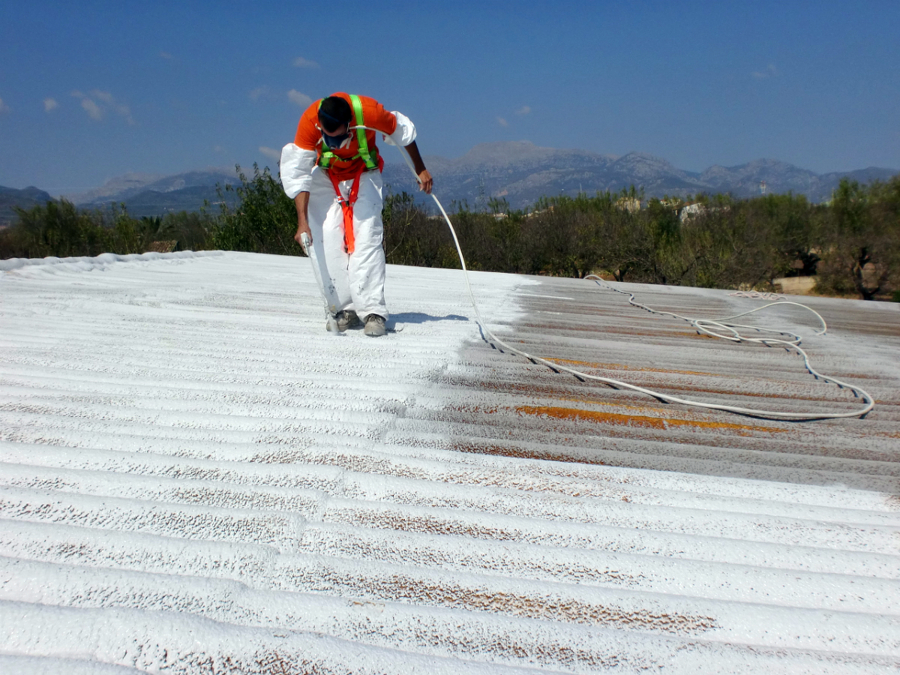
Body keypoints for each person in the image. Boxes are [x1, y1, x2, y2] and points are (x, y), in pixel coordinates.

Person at [280, 93, 432, 337]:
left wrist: (421, 169)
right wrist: (303, 223)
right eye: (327, 138)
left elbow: (403, 133)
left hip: (364, 171)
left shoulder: (370, 113)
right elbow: (298, 174)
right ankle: (342, 309)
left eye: (338, 137)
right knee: (326, 235)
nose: (332, 143)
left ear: (350, 124)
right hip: (327, 174)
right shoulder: (310, 121)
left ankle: (373, 312)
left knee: (367, 236)